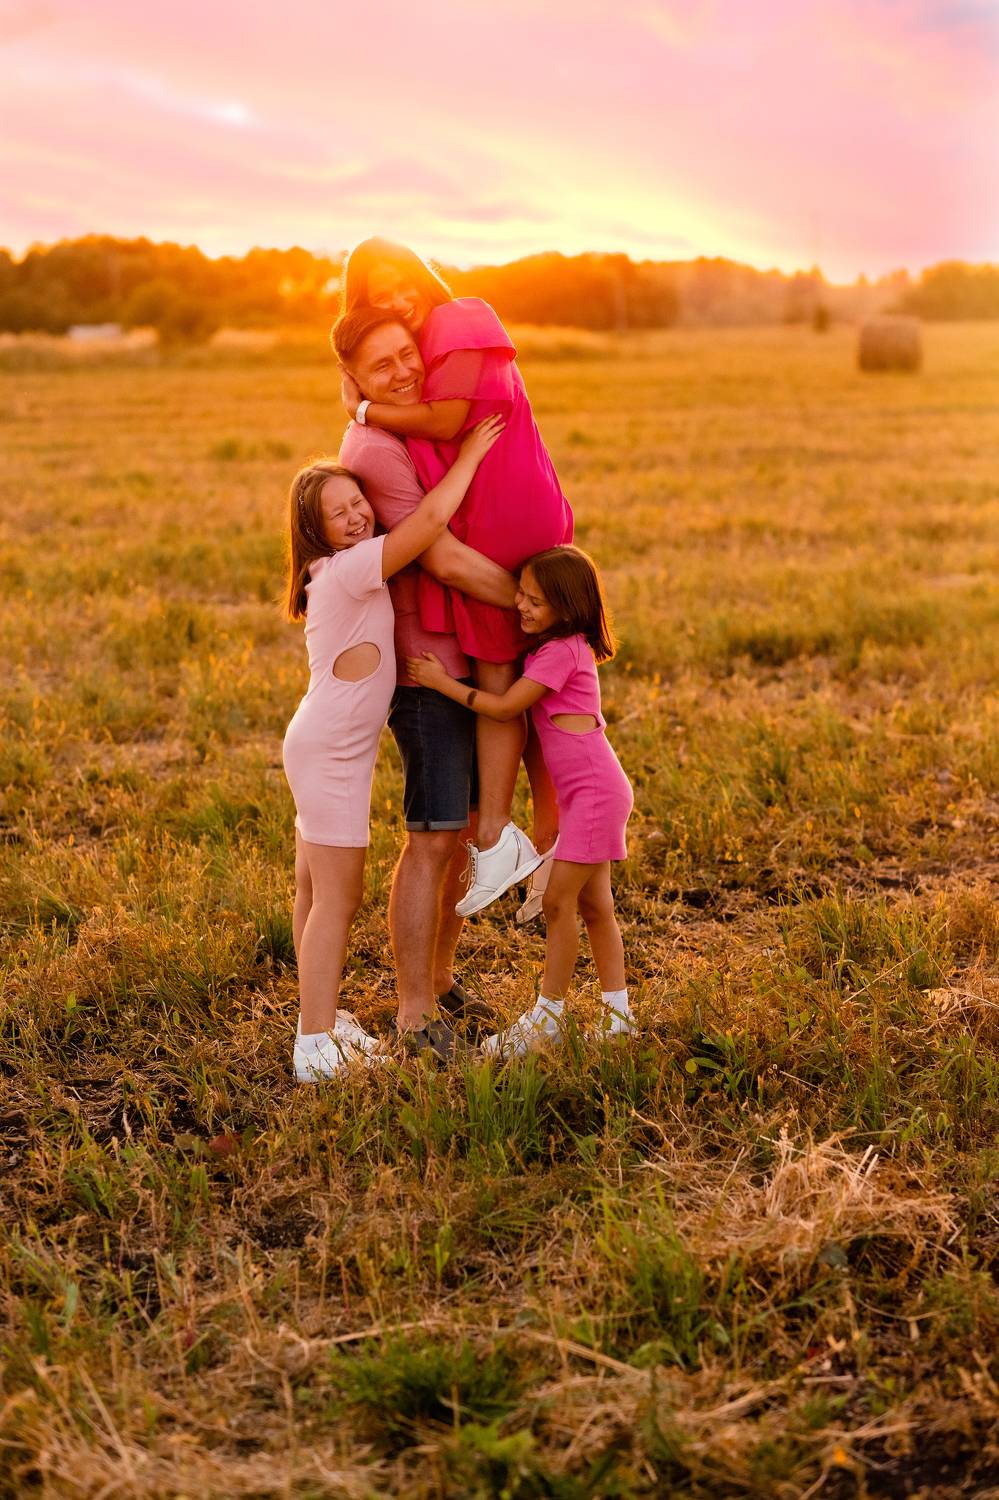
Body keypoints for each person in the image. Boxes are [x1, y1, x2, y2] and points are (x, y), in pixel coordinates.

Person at [337, 238, 571, 918]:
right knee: (528, 688)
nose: (396, 301)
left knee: (511, 676)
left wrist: (362, 408)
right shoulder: (420, 354)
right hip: (486, 521)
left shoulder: (460, 317)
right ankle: (541, 840)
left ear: (425, 276)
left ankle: (507, 838)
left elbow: (445, 421)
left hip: (503, 516)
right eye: (378, 295)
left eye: (402, 283)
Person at [282, 414, 504, 1083]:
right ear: (314, 530)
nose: (356, 516)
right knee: (338, 899)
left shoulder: (330, 571)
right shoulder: (352, 568)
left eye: (358, 502)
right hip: (331, 757)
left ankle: (319, 1020)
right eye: (338, 513)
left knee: (312, 889)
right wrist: (469, 456)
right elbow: (429, 522)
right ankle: (314, 1047)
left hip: (317, 743)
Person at [334, 305, 519, 1057]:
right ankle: (414, 1015)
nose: (405, 371)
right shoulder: (375, 447)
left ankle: (440, 983)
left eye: (407, 353)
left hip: (461, 654)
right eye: (381, 367)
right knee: (432, 837)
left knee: (461, 830)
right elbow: (436, 554)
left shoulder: (410, 427)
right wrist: (535, 604)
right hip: (423, 664)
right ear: (352, 379)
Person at [407, 545, 635, 1056]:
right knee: (595, 905)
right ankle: (619, 1018)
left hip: (594, 794)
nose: (520, 606)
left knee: (557, 903)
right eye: (521, 595)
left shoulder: (561, 652)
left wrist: (441, 683)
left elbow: (506, 708)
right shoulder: (557, 647)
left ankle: (547, 1018)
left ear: (567, 607)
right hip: (591, 793)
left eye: (534, 601)